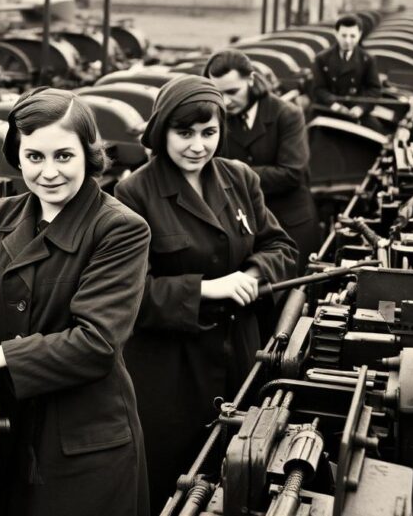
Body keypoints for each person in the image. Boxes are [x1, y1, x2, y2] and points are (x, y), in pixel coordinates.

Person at [0, 87, 151, 516]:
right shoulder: (2, 215)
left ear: (89, 154)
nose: (49, 172)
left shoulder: (120, 228)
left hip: (83, 446)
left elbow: (98, 344)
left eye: (63, 156)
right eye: (34, 157)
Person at [114, 75, 297, 511]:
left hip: (240, 355)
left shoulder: (240, 179)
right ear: (162, 133)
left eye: (209, 133)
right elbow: (130, 294)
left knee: (237, 468)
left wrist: (254, 272)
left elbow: (281, 247)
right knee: (174, 477)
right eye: (185, 134)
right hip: (173, 370)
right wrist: (209, 288)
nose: (198, 145)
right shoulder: (134, 192)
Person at [205, 49, 320, 274]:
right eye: (218, 93)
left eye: (232, 91)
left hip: (289, 224)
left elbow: (292, 173)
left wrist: (231, 172)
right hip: (240, 226)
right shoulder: (216, 119)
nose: (225, 102)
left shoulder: (286, 114)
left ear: (251, 79)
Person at [312, 13, 383, 131]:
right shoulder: (321, 59)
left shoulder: (367, 59)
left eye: (352, 36)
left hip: (356, 112)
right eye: (343, 35)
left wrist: (360, 108)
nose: (347, 40)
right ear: (336, 33)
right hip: (327, 110)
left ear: (359, 35)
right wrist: (335, 106)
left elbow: (374, 89)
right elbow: (318, 89)